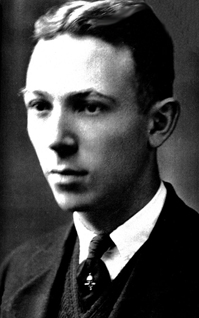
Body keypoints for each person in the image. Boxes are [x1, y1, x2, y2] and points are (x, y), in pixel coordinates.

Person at [1, 0, 199, 317]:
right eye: (40, 106)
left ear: (158, 123)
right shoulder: (17, 272)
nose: (56, 139)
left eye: (89, 106)